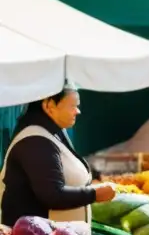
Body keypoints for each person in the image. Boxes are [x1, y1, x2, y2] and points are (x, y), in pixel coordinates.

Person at [0, 86, 116, 226]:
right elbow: (52, 195)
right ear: (49, 106)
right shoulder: (34, 141)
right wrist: (94, 194)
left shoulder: (52, 131)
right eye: (72, 106)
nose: (77, 111)